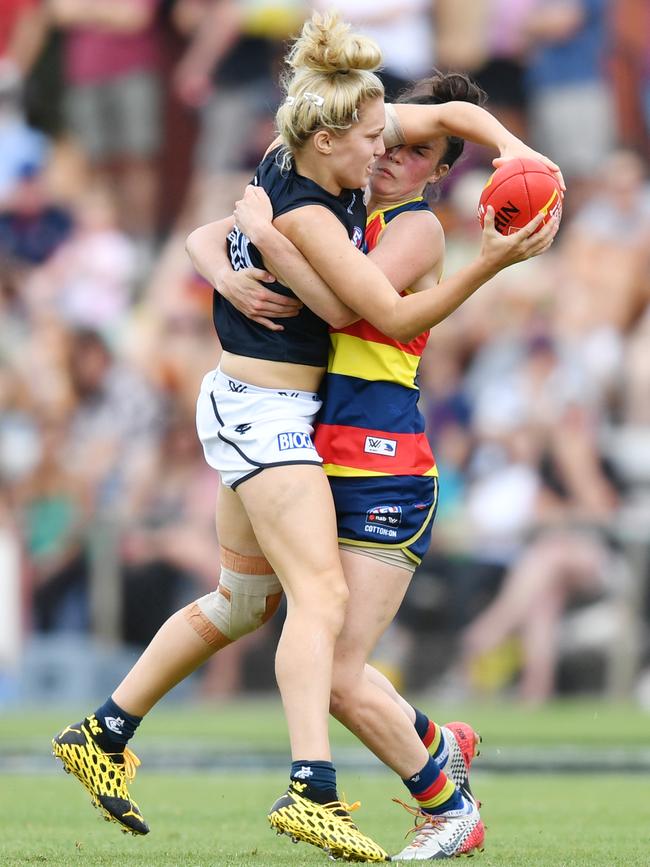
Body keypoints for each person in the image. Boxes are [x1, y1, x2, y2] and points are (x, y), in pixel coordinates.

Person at [52, 11, 559, 862]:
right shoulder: (334, 194)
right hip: (284, 424)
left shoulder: (396, 212)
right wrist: (236, 261)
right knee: (319, 628)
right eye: (377, 139)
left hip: (367, 453)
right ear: (335, 136)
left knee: (256, 609)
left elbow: (353, 301)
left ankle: (106, 733)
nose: (387, 149)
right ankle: (337, 785)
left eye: (404, 145)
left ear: (436, 171)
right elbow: (255, 255)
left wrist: (517, 154)